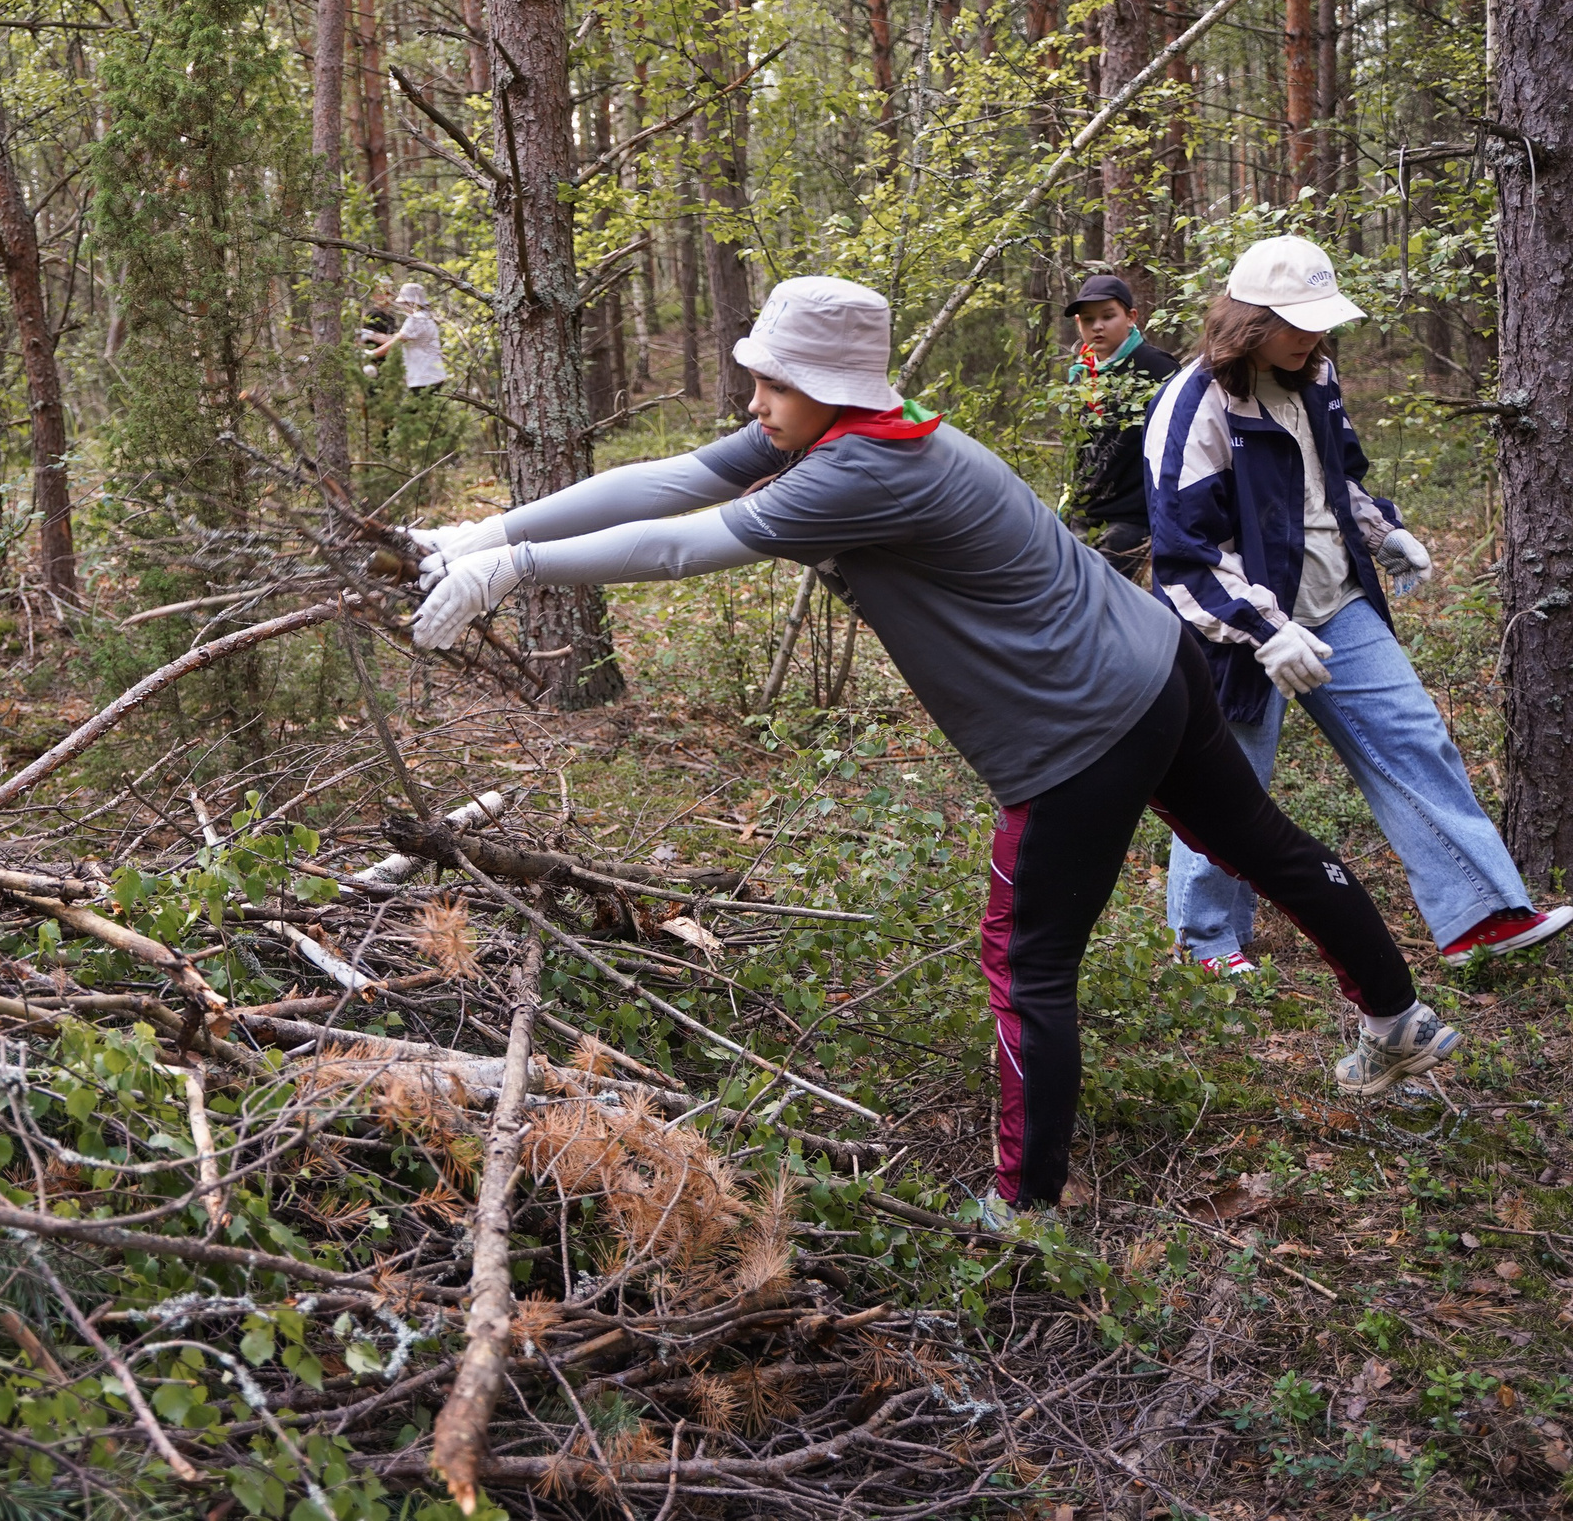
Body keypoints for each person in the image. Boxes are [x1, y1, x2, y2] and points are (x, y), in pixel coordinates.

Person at [408, 274, 1465, 1217]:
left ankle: (1025, 1211)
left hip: (1082, 727)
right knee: (1268, 848)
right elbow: (673, 478)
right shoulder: (859, 423)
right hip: (1154, 662)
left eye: (769, 383)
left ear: (822, 383)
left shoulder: (859, 470)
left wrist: (519, 572)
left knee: (1028, 961)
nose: (751, 403)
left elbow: (685, 543)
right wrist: (488, 535)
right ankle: (1400, 1024)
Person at [1146, 236, 1573, 977]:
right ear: (1249, 318)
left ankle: (1482, 911)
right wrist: (1264, 633)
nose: (1310, 336)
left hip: (1338, 601)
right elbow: (1186, 554)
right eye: (1293, 322)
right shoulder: (1193, 405)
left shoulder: (1317, 376)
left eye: (1319, 321)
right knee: (1230, 782)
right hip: (1240, 630)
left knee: (1416, 738)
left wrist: (1385, 531)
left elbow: (1335, 476)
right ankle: (1207, 940)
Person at [1059, 272, 1176, 580]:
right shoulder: (1080, 374)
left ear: (1130, 317)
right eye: (1088, 319)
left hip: (1131, 518)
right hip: (1084, 512)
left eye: (1108, 316)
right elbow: (1079, 447)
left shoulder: (1157, 367)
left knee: (1103, 599)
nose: (1097, 326)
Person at [363, 282, 447, 392]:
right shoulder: (425, 317)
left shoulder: (417, 319)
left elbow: (397, 342)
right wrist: (371, 335)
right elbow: (396, 338)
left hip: (424, 377)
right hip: (429, 375)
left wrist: (371, 354)